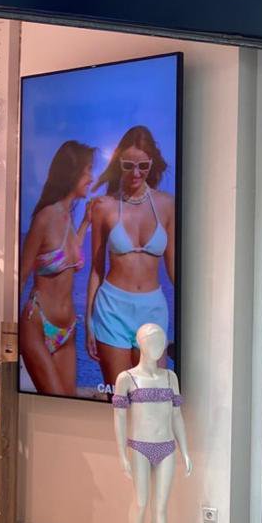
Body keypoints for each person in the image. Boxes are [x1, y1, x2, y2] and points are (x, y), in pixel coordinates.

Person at [86, 125, 175, 386]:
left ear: (152, 164)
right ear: (119, 163)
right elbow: (96, 270)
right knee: (119, 398)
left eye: (143, 166)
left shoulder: (167, 205)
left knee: (153, 398)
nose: (135, 173)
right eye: (128, 166)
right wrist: (89, 322)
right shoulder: (104, 207)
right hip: (112, 308)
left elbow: (173, 269)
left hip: (153, 309)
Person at [20, 140, 94, 396]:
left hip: (68, 329)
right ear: (72, 173)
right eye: (87, 171)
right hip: (38, 324)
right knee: (53, 398)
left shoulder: (68, 215)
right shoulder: (45, 217)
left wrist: (85, 223)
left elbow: (69, 256)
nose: (91, 178)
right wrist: (8, 334)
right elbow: (22, 274)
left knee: (67, 404)